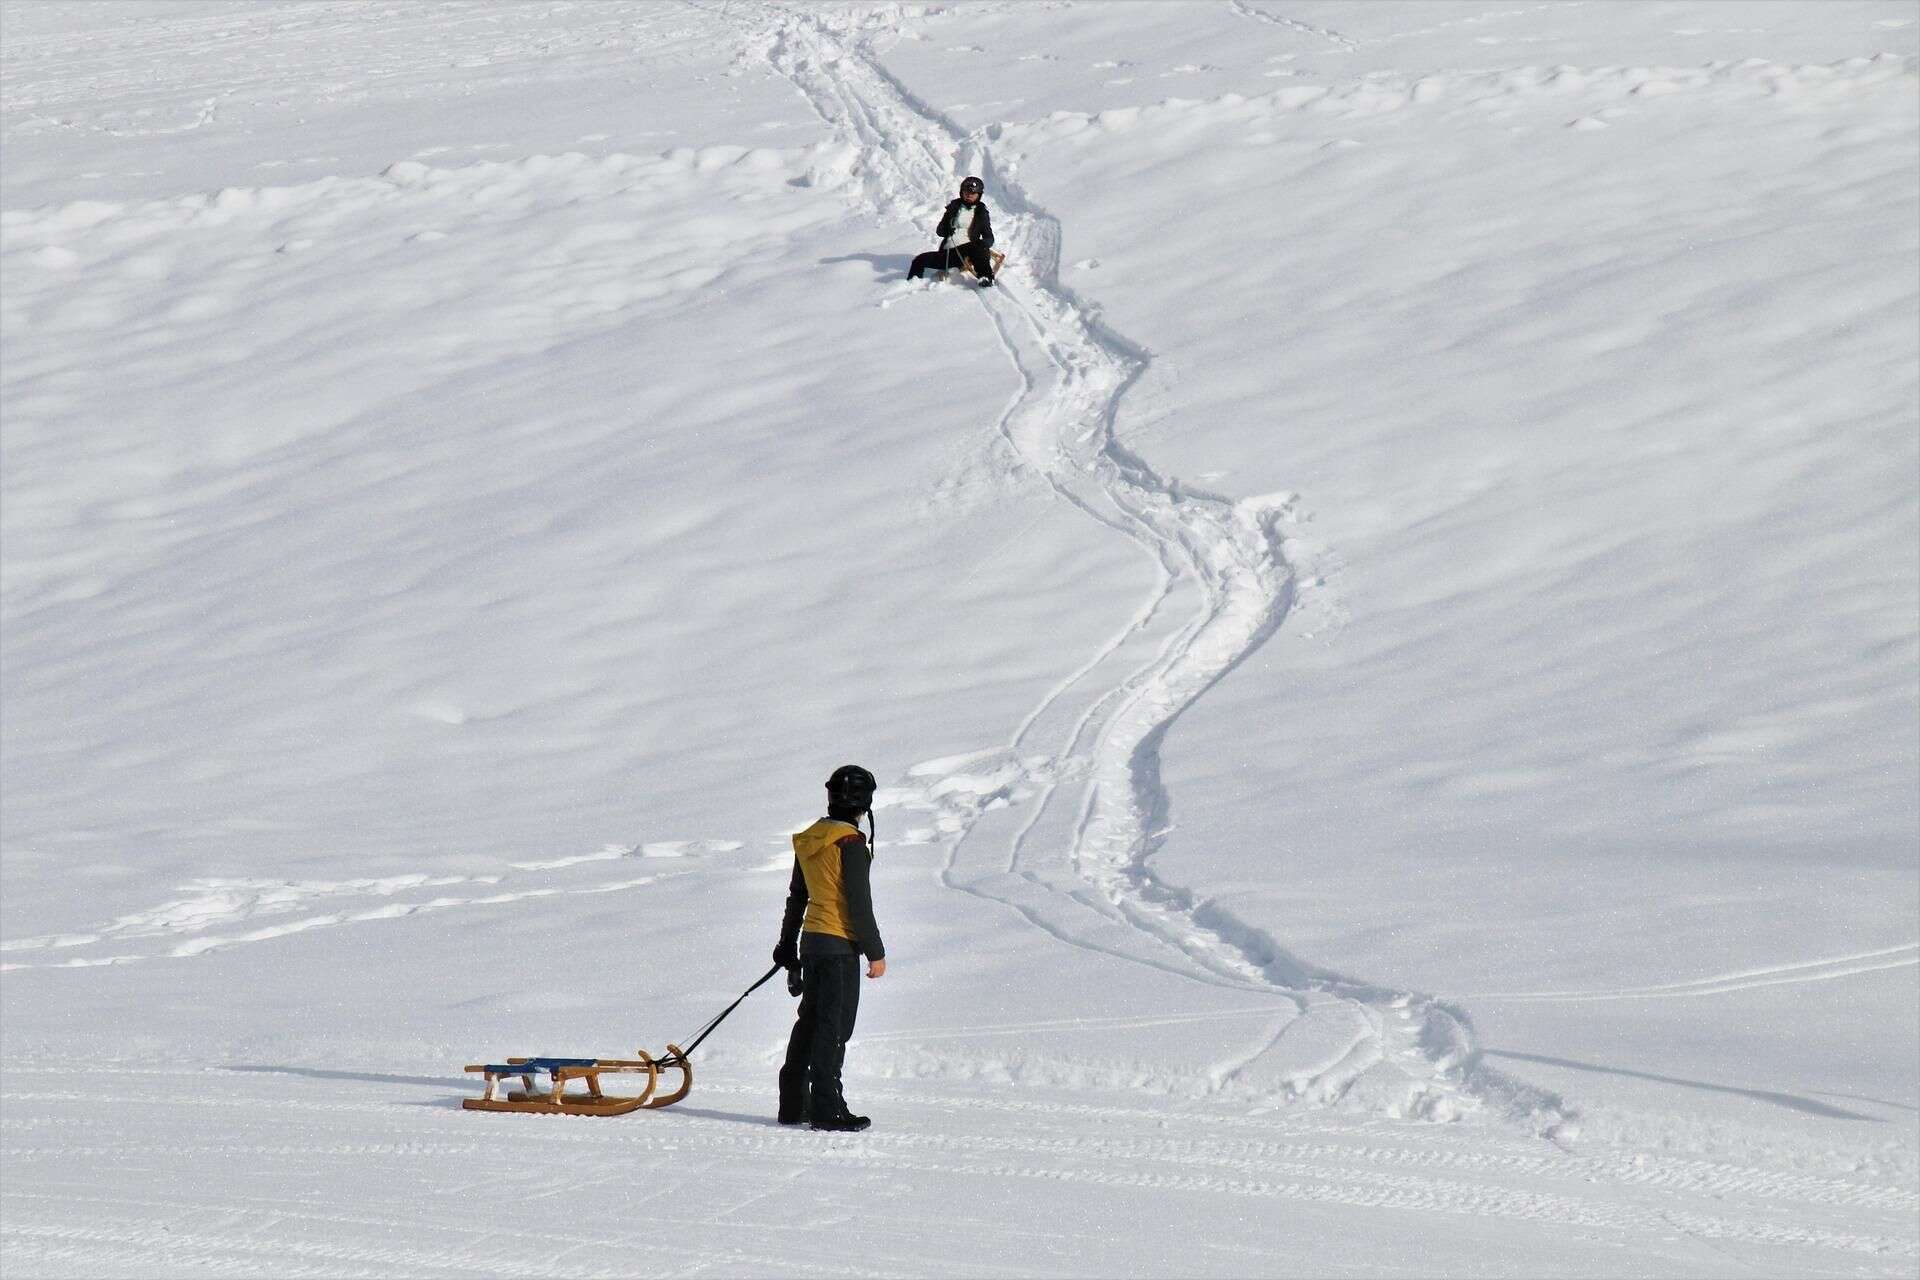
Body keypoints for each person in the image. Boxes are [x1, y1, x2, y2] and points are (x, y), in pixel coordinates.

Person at [773, 764, 887, 1131]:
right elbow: (858, 903)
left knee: (810, 1023)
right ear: (864, 804)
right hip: (839, 948)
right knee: (834, 1028)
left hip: (812, 944)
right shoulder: (850, 843)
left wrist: (787, 946)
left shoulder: (810, 839)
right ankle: (827, 1108)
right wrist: (875, 951)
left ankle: (793, 1102)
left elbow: (797, 897)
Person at [908, 176, 996, 286]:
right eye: (966, 192)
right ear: (961, 192)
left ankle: (986, 277)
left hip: (969, 252)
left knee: (977, 246)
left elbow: (989, 238)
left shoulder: (981, 212)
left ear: (979, 195)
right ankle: (911, 285)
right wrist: (947, 226)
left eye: (973, 193)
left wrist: (982, 245)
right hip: (949, 252)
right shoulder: (953, 207)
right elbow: (940, 232)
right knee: (919, 260)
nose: (969, 195)